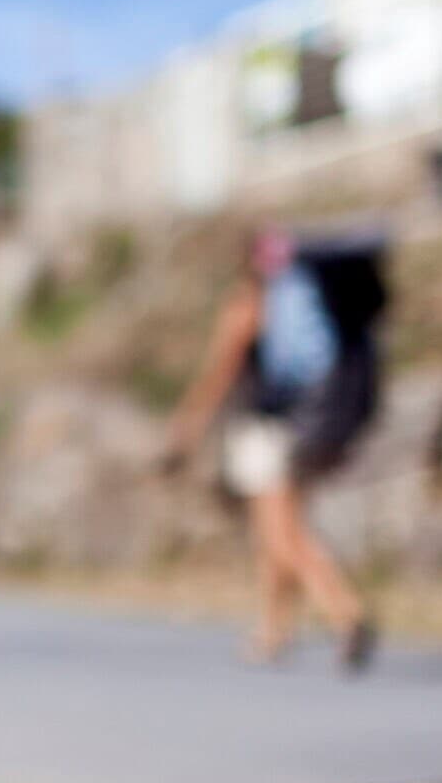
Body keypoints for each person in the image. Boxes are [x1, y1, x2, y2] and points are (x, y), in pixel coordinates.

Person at [162, 226, 382, 673]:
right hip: (311, 422)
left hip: (265, 431)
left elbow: (218, 375)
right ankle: (274, 630)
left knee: (283, 536)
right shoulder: (303, 304)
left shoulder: (245, 307)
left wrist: (185, 429)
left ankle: (346, 613)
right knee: (276, 536)